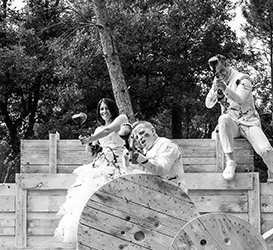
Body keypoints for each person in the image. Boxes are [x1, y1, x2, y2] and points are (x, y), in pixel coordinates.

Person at [54, 98, 136, 242]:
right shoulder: (98, 130)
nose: (104, 111)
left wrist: (90, 138)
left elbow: (108, 130)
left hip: (120, 164)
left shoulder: (121, 119)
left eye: (106, 108)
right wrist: (89, 143)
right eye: (101, 109)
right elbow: (92, 152)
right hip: (101, 166)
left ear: (113, 108)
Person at [204, 55, 273, 182]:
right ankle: (230, 161)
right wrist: (214, 90)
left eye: (222, 70)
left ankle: (272, 170)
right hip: (232, 124)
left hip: (249, 122)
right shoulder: (218, 82)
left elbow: (240, 99)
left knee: (266, 151)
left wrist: (225, 88)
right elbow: (208, 105)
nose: (221, 74)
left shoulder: (243, 78)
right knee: (223, 119)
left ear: (227, 64)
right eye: (217, 73)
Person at [129, 121, 187, 192]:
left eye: (141, 133)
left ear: (153, 131)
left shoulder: (166, 145)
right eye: (137, 137)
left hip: (176, 194)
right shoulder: (146, 152)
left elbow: (162, 170)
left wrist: (141, 159)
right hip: (157, 195)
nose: (139, 138)